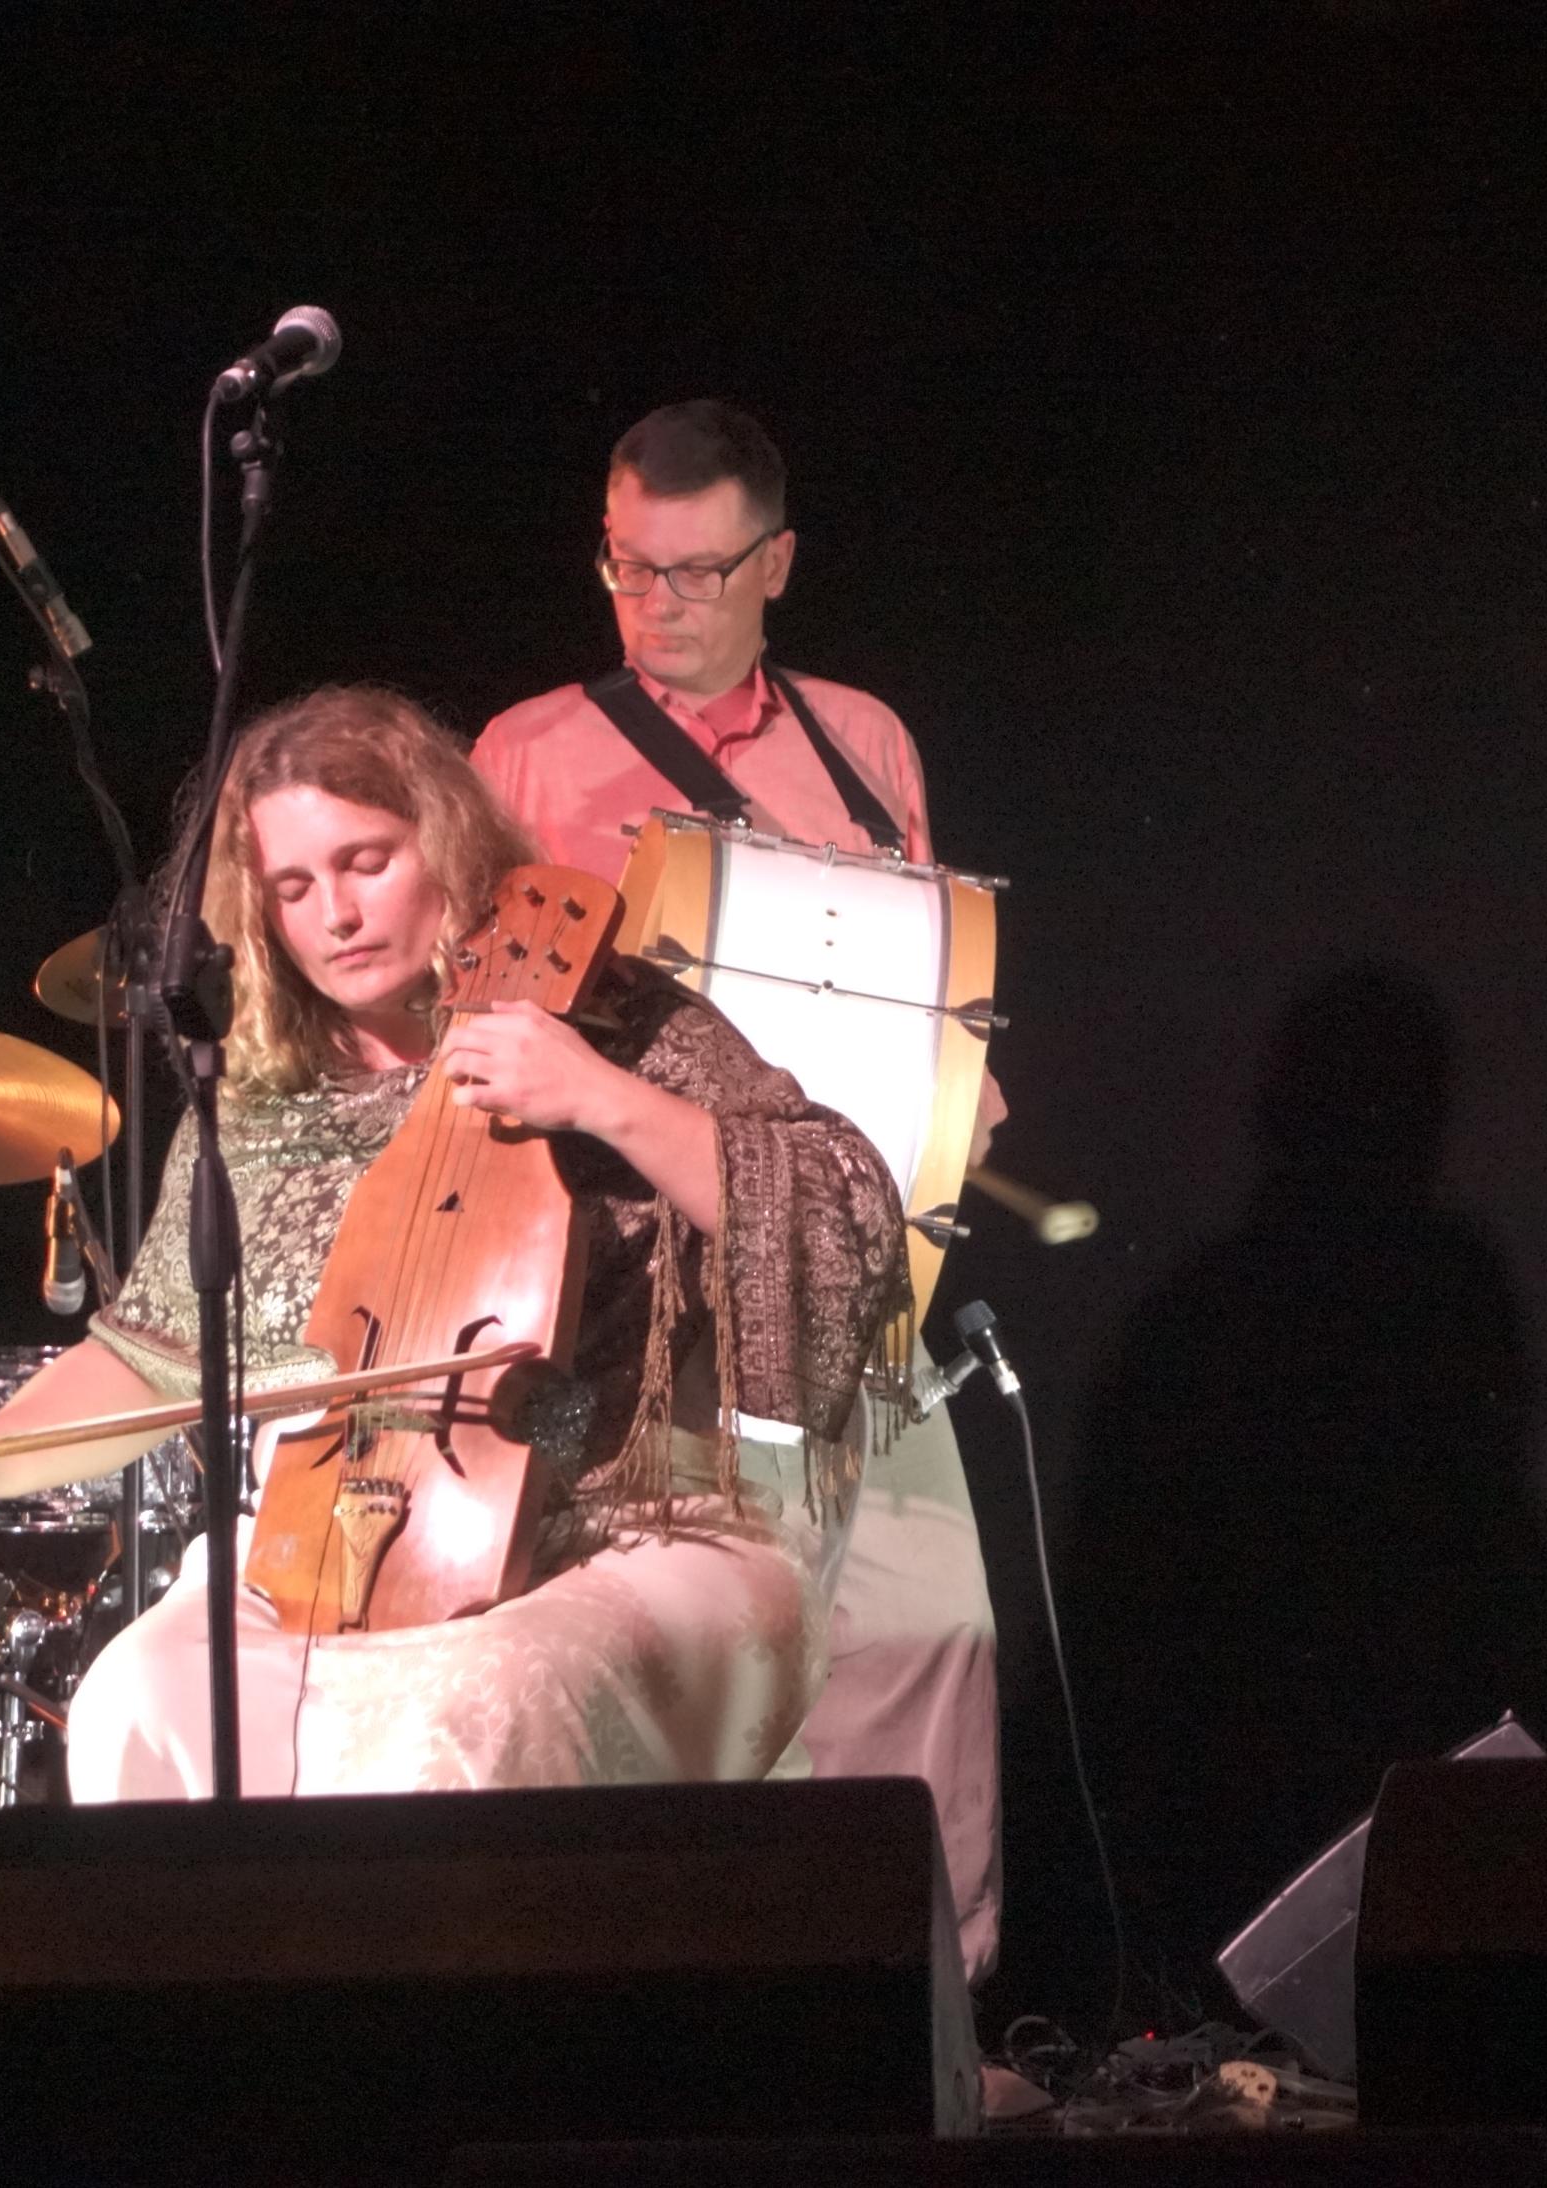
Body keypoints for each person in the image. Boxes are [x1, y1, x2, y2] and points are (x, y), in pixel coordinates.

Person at [0, 686, 909, 1797]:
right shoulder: (263, 1098)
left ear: (448, 850)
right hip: (345, 1535)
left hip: (630, 1527)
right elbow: (151, 1356)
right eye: (293, 887)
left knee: (482, 1703)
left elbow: (845, 1206)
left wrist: (603, 1098)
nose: (335, 914)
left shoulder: (606, 1017)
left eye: (365, 862)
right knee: (140, 1693)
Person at [474, 401, 1005, 1979]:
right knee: (684, 1659)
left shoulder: (865, 739)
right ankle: (692, 2001)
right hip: (642, 1294)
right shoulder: (525, 751)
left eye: (699, 573)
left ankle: (933, 2017)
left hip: (843, 1256)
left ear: (776, 563)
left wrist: (958, 1088)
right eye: (628, 569)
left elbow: (922, 974)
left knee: (927, 1632)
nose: (660, 607)